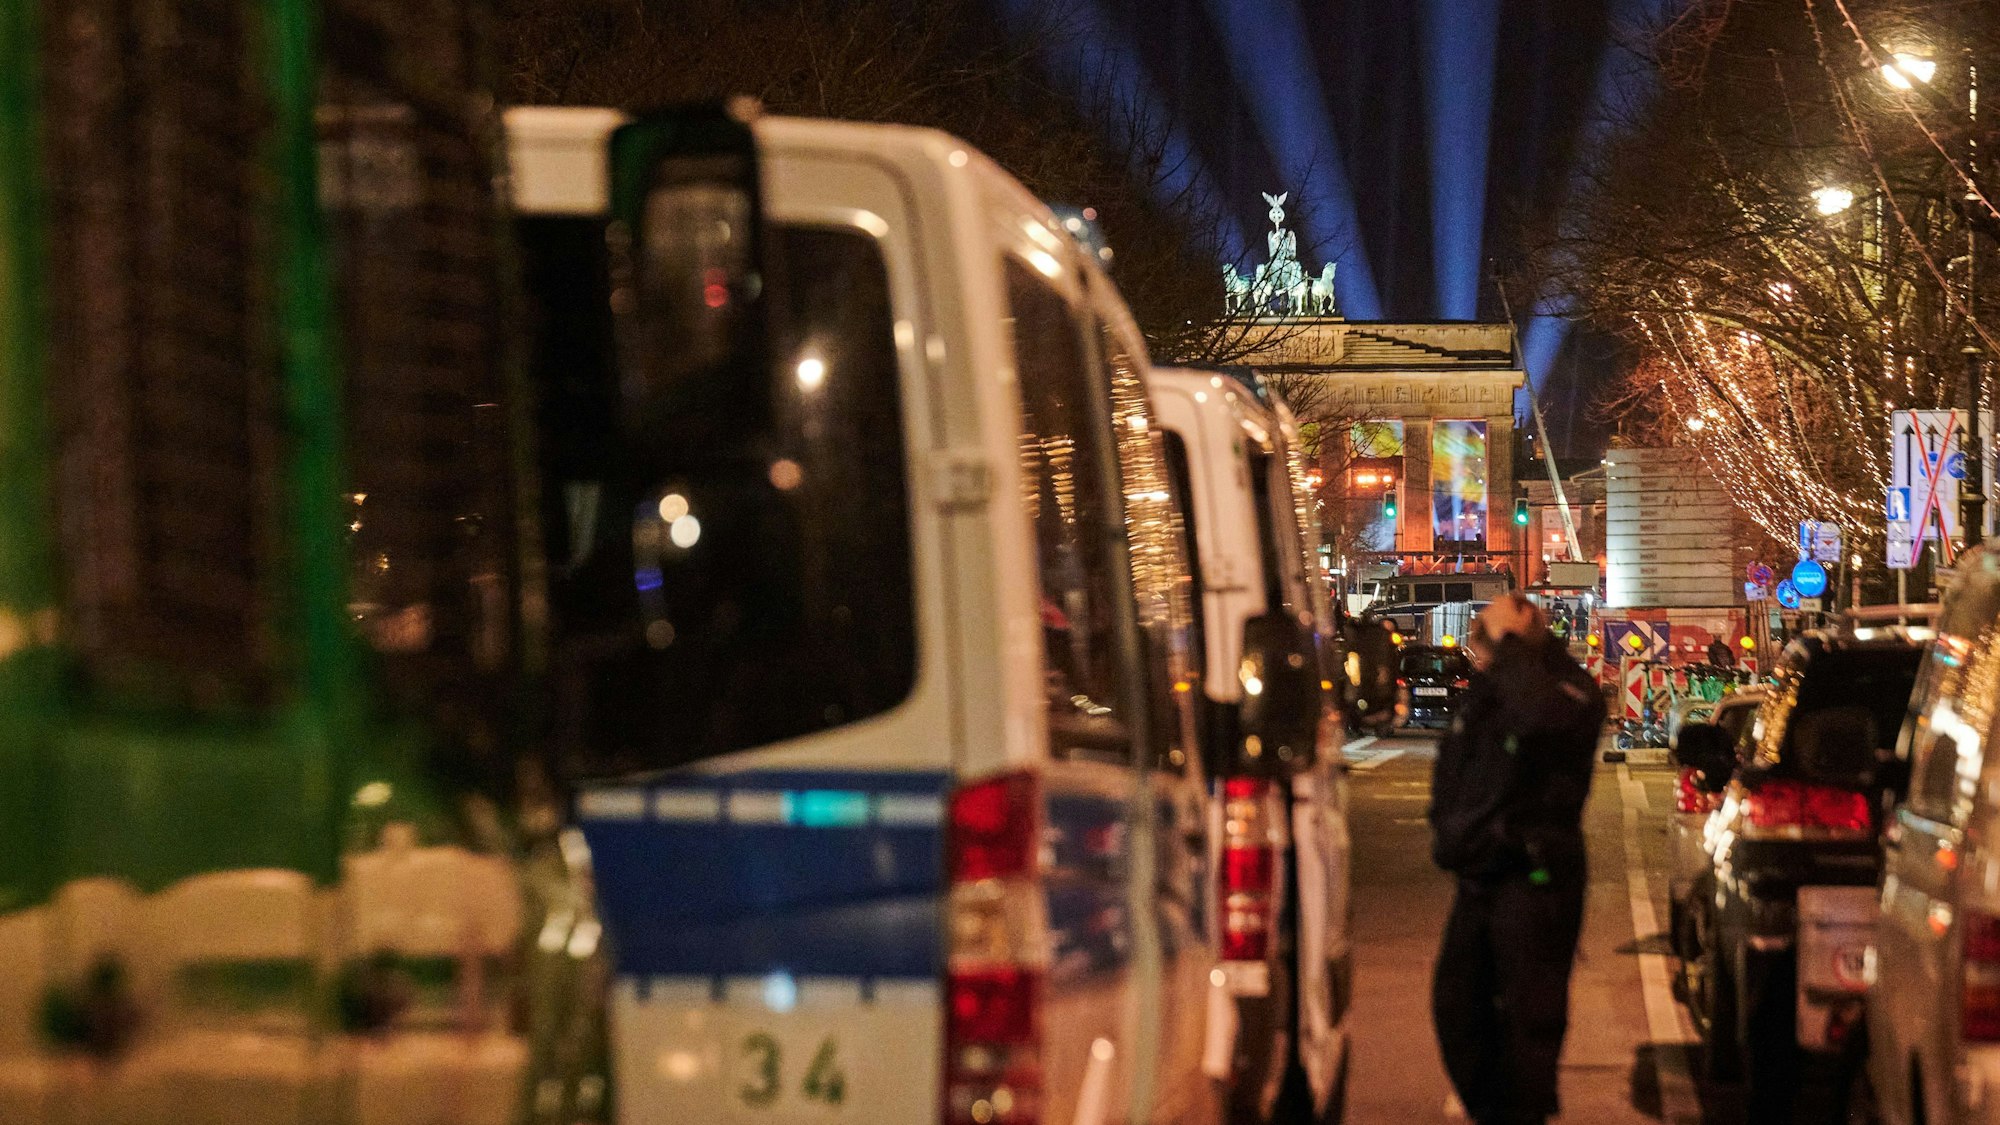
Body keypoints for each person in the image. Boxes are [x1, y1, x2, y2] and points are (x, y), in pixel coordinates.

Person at [1428, 593, 1606, 1124]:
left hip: (1535, 874)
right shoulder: (1497, 687)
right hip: (1481, 871)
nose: (1484, 651)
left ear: (1526, 624)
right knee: (1456, 1004)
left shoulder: (1565, 687)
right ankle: (1496, 1110)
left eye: (1493, 635)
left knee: (1530, 1018)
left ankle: (1521, 1113)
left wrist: (1509, 644)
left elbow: (1538, 718)